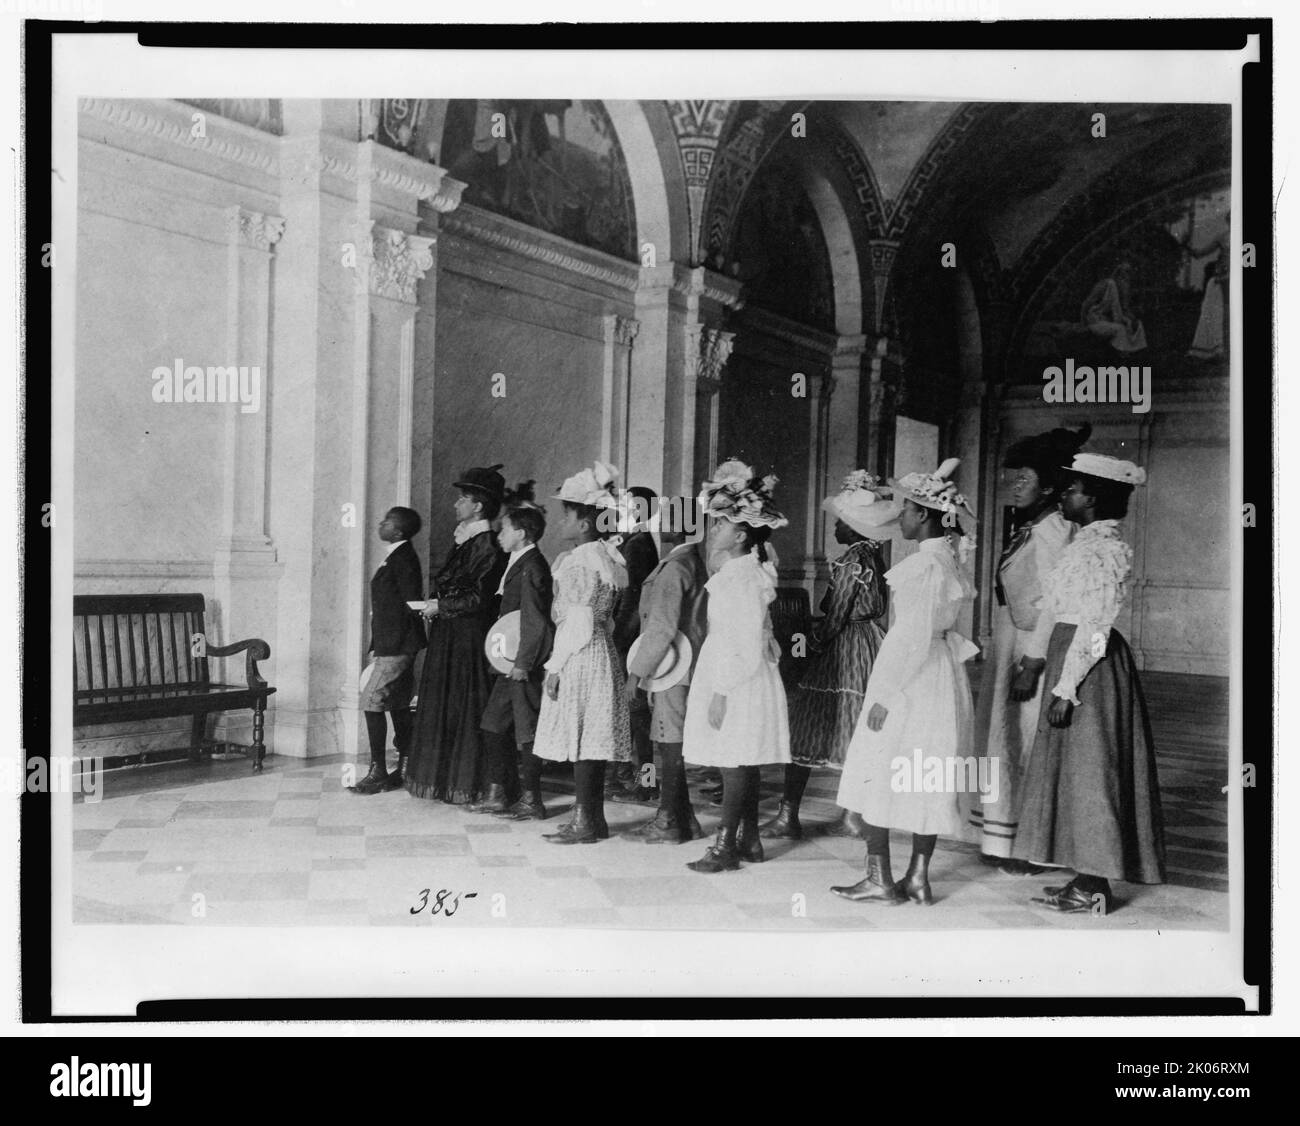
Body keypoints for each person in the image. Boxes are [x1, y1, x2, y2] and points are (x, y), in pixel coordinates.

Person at [1012, 453, 1165, 913]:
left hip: (1089, 668)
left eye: (1073, 488)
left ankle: (1095, 884)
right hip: (1072, 655)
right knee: (1080, 772)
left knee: (1092, 772)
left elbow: (1096, 625)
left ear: (1093, 498)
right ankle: (1086, 878)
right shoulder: (1086, 543)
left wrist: (1066, 688)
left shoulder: (1103, 548)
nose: (1065, 494)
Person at [832, 458, 979, 906]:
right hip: (938, 673)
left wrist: (887, 695)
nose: (901, 517)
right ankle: (917, 875)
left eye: (907, 510)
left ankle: (880, 876)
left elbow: (912, 635)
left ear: (924, 515)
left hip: (911, 675)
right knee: (925, 770)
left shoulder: (923, 566)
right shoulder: (947, 560)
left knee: (875, 764)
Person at [967, 425, 1089, 872]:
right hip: (1011, 641)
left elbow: (1058, 603)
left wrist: (1032, 663)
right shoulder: (1030, 527)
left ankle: (1030, 843)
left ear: (1050, 487)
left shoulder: (1053, 529)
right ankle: (1003, 835)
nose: (1013, 486)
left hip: (1033, 647)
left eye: (1024, 479)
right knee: (1007, 737)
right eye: (1012, 477)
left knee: (1024, 739)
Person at [761, 471, 896, 840]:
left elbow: (836, 615)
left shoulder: (851, 561)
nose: (836, 527)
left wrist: (812, 644)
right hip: (869, 642)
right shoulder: (872, 557)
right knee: (856, 728)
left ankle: (790, 816)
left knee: (810, 724)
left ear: (854, 528)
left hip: (845, 647)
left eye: (840, 521)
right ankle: (854, 813)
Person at [682, 461, 791, 873]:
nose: (713, 530)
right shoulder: (740, 572)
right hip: (735, 667)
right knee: (739, 758)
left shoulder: (742, 578)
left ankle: (727, 846)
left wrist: (722, 690)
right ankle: (750, 840)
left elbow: (744, 640)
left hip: (738, 674)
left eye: (721, 525)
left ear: (741, 534)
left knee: (734, 759)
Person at [532, 461, 633, 844]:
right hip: (601, 653)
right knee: (591, 736)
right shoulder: (605, 557)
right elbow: (603, 620)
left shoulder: (577, 562)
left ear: (585, 524)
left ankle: (586, 820)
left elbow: (577, 622)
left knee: (584, 737)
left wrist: (555, 666)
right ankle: (590, 817)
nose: (561, 522)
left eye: (567, 515)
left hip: (580, 655)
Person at [404, 466, 508, 804]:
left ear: (478, 506)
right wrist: (439, 606)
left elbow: (480, 598)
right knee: (446, 703)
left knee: (463, 704)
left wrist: (441, 605)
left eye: (463, 499)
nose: (456, 504)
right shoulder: (468, 541)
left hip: (467, 637)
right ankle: (445, 781)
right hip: (451, 633)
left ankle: (466, 784)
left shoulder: (487, 544)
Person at [621, 495, 709, 844]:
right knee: (671, 738)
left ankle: (669, 821)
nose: (660, 520)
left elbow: (661, 628)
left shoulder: (675, 568)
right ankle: (683, 818)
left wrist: (637, 673)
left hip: (674, 666)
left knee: (669, 740)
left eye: (668, 516)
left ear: (682, 525)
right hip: (684, 663)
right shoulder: (690, 561)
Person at [471, 483, 554, 820]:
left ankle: (532, 801)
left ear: (520, 533)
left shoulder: (532, 565)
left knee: (526, 731)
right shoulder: (518, 562)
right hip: (509, 664)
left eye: (504, 529)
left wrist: (523, 663)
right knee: (493, 725)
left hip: (523, 664)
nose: (499, 534)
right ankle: (500, 794)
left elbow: (535, 620)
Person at [350, 506, 426, 795]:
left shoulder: (403, 557)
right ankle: (404, 769)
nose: (380, 524)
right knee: (396, 703)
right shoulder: (396, 554)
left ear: (398, 530)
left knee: (371, 701)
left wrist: (389, 648)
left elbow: (410, 604)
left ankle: (378, 770)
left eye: (386, 521)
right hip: (392, 643)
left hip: (398, 645)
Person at [608, 485, 661, 803]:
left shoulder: (637, 544)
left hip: (630, 639)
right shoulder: (634, 541)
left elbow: (631, 599)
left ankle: (648, 782)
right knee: (635, 713)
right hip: (631, 636)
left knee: (637, 712)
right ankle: (634, 776)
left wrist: (618, 641)